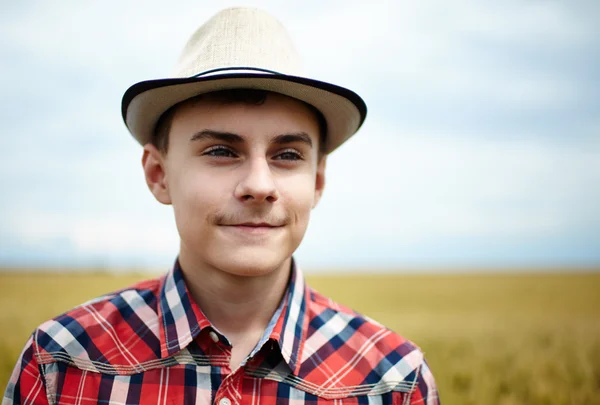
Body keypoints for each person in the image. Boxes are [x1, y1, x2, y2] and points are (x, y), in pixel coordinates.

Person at [4, 7, 439, 405]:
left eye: (287, 155)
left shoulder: (393, 383)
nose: (258, 185)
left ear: (318, 180)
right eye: (220, 151)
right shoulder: (61, 365)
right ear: (159, 175)